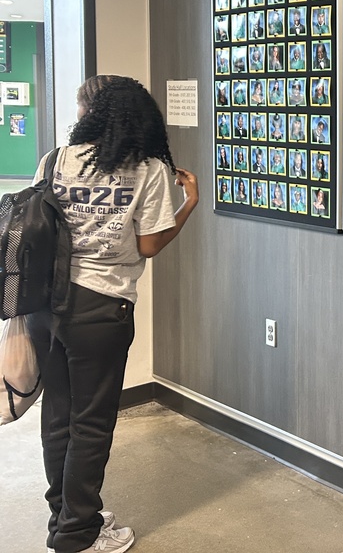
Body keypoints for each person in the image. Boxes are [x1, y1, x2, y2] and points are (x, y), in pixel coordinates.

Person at [33, 76, 198, 553]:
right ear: (140, 118)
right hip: (102, 307)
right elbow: (149, 245)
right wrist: (188, 206)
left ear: (95, 113)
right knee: (92, 421)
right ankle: (79, 533)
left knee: (59, 416)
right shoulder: (147, 170)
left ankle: (63, 516)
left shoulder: (56, 159)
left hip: (47, 304)